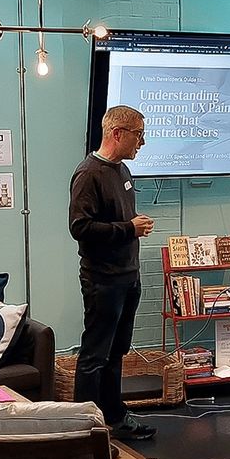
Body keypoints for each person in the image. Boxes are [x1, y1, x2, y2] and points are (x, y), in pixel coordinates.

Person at [69, 104, 157, 439]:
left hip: (127, 277)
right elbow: (80, 227)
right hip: (103, 280)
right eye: (138, 135)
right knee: (95, 355)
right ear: (117, 133)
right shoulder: (88, 174)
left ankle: (114, 418)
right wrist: (127, 229)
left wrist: (129, 229)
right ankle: (84, 430)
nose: (142, 143)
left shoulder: (122, 171)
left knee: (117, 351)